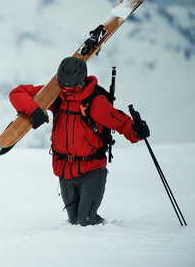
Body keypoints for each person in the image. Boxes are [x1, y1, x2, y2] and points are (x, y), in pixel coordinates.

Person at [9, 57, 150, 226]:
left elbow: (122, 123)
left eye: (73, 87)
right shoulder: (56, 95)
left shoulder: (95, 102)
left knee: (85, 221)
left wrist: (137, 130)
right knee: (75, 222)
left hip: (91, 171)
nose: (68, 90)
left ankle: (114, 234)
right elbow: (18, 93)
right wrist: (33, 110)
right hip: (64, 170)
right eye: (64, 86)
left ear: (82, 81)